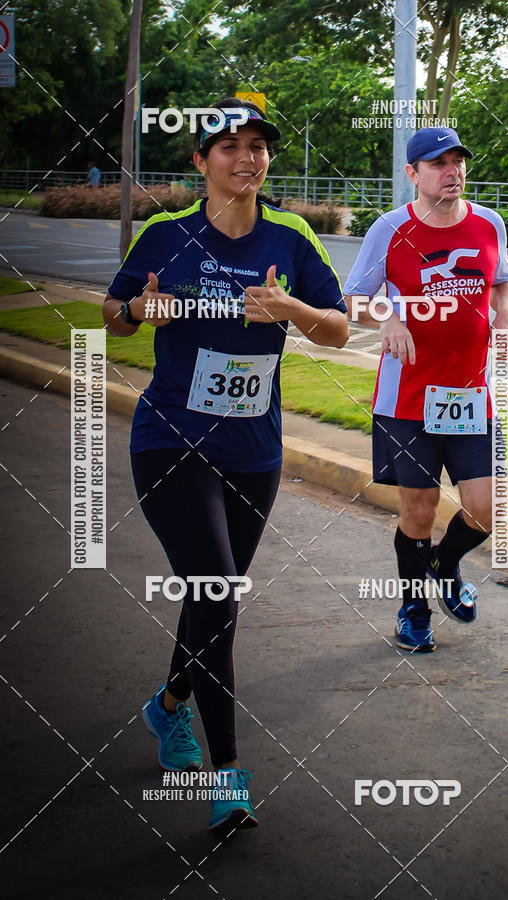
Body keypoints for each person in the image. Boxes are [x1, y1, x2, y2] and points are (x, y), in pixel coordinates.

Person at [102, 97, 348, 829]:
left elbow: (338, 329)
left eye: (258, 146)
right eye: (230, 146)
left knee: (215, 599)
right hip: (171, 438)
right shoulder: (166, 234)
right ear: (201, 161)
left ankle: (168, 705)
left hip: (253, 448)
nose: (247, 158)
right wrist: (139, 311)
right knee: (216, 594)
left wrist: (290, 311)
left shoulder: (291, 235)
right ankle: (228, 775)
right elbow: (113, 313)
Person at [343, 126, 508, 653]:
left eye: (457, 161)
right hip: (407, 399)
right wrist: (388, 317)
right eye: (438, 163)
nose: (452, 171)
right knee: (419, 512)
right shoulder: (389, 229)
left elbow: (502, 279)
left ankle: (444, 564)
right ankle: (413, 609)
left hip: (471, 395)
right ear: (413, 174)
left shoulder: (488, 223)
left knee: (490, 507)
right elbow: (352, 298)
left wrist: (505, 311)